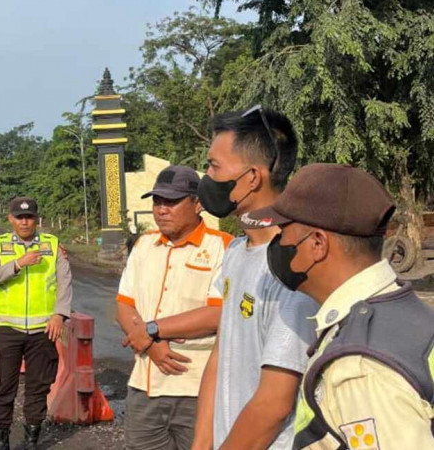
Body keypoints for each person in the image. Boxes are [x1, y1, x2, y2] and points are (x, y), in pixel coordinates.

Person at [246, 163, 434, 450]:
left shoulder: (359, 369)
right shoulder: (403, 309)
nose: (278, 243)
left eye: (283, 231)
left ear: (317, 244)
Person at [192, 106, 319, 450]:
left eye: (214, 166)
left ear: (252, 177)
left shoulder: (293, 267)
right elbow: (221, 351)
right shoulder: (236, 251)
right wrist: (202, 441)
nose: (206, 176)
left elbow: (275, 405)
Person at [116, 165, 232, 450]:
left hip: (198, 389)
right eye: (157, 202)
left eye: (172, 201)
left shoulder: (224, 248)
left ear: (198, 203)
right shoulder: (144, 245)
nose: (161, 210)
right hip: (145, 385)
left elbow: (217, 314)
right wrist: (150, 344)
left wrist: (151, 330)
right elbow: (124, 303)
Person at [0, 197, 72, 450]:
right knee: (2, 389)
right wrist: (18, 264)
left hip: (43, 330)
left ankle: (32, 441)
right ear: (10, 218)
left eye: (29, 217)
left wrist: (59, 315)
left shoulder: (52, 245)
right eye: (19, 217)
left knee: (38, 388)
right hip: (9, 330)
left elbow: (65, 283)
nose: (24, 221)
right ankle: (2, 443)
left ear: (37, 219)